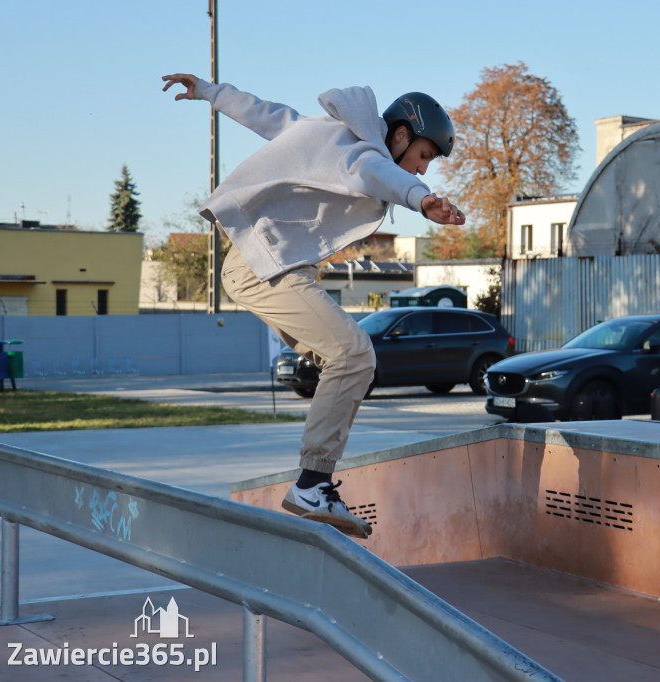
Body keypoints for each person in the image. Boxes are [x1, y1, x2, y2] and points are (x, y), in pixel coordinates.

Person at [162, 73, 465, 538]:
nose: (422, 169)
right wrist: (421, 201)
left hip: (268, 266)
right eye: (423, 156)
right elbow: (377, 174)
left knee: (342, 361)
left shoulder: (321, 130)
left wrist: (210, 91)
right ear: (401, 134)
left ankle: (314, 480)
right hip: (263, 267)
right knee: (356, 353)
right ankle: (312, 483)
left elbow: (266, 114)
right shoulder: (360, 154)